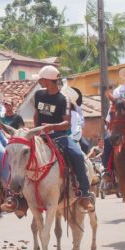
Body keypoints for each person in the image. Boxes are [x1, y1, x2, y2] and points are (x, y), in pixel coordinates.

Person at [15, 65, 93, 212]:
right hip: (39, 135)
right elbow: (37, 114)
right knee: (19, 152)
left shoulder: (64, 99)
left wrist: (51, 126)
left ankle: (84, 194)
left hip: (60, 136)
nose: (39, 81)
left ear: (48, 80)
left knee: (77, 155)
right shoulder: (39, 95)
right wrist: (35, 129)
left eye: (41, 79)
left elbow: (66, 123)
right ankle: (17, 196)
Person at [70, 88, 89, 154]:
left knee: (85, 145)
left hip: (75, 133)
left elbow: (82, 122)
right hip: (62, 134)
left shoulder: (77, 108)